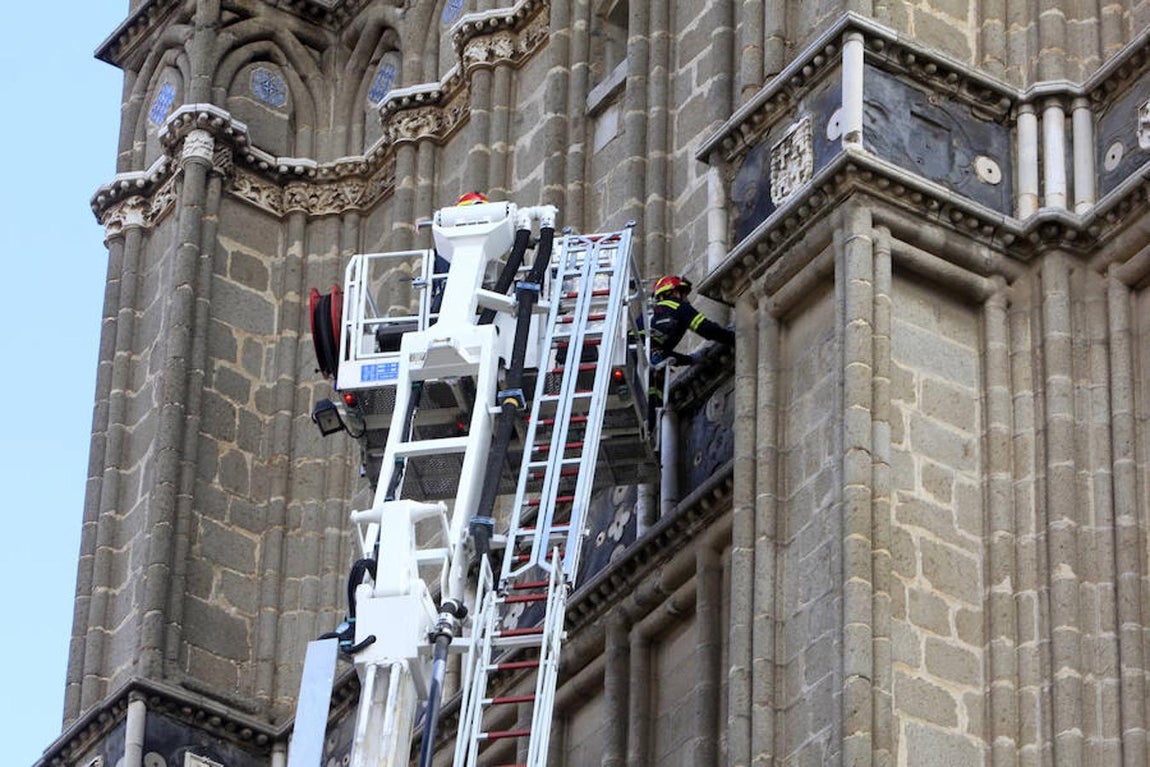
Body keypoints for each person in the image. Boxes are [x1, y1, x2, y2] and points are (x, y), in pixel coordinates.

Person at [648, 274, 734, 367]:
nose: (687, 300)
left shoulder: (650, 315)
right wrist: (733, 338)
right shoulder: (677, 306)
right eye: (684, 295)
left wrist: (690, 359)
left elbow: (660, 355)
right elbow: (706, 328)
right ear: (674, 293)